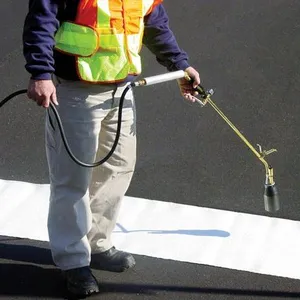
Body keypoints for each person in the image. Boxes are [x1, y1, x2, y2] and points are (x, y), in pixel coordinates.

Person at [23, 0, 200, 297]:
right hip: (77, 89)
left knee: (117, 169)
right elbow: (42, 19)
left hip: (124, 89)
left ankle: (97, 243)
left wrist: (179, 65)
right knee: (73, 177)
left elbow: (154, 24)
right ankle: (73, 260)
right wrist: (41, 73)